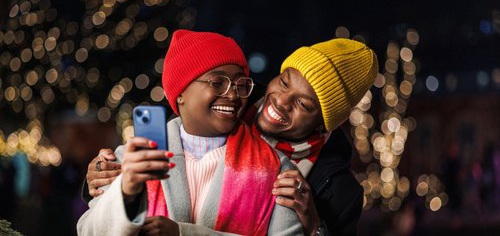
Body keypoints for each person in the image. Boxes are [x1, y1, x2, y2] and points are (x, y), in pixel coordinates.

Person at [84, 37, 378, 235]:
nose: (281, 101)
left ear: (323, 124)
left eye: (304, 105)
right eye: (284, 81)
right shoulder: (235, 96)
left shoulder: (329, 187)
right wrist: (106, 178)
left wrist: (314, 225)